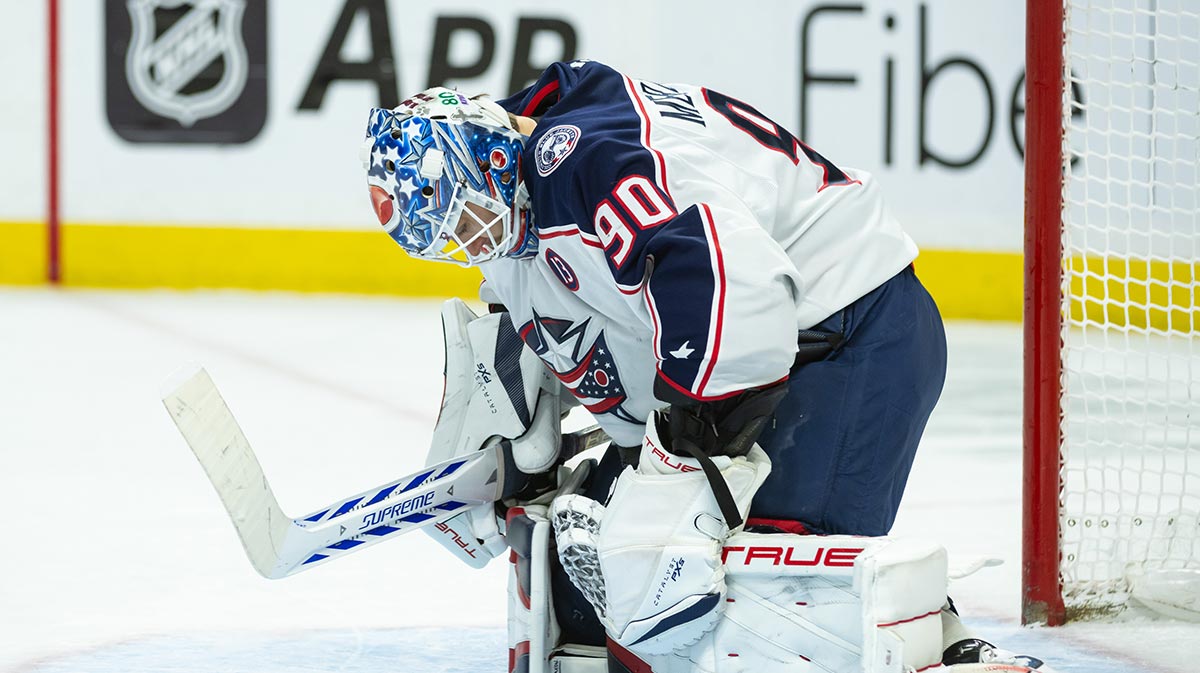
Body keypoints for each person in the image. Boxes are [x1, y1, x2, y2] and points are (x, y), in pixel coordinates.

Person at [361, 60, 1050, 672]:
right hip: (758, 352)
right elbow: (542, 320)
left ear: (487, 155)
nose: (473, 236)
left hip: (852, 334)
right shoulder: (516, 168)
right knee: (583, 586)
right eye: (453, 234)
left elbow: (730, 285)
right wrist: (502, 450)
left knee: (735, 588)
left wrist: (680, 470)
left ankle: (938, 646)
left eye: (470, 214)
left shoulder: (589, 160)